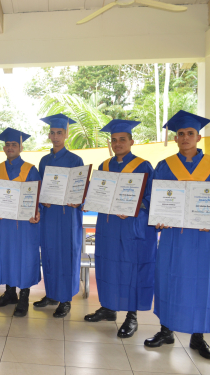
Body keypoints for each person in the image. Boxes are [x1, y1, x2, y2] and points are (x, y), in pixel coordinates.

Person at [144, 110, 210, 359]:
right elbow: (153, 197)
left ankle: (198, 336)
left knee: (202, 283)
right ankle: (166, 330)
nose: (185, 138)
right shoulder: (164, 166)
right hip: (173, 236)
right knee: (170, 278)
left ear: (199, 137)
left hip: (204, 237)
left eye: (190, 133)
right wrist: (157, 216)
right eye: (180, 134)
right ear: (175, 139)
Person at [83, 120, 156, 338]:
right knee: (107, 266)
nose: (118, 143)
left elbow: (152, 198)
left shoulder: (144, 166)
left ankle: (131, 316)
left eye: (122, 139)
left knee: (130, 269)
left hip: (131, 225)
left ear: (131, 141)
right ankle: (108, 308)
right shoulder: (104, 166)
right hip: (108, 226)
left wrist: (135, 207)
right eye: (114, 140)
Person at [34, 114, 84, 318]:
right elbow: (39, 187)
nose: (55, 137)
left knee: (67, 254)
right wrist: (41, 199)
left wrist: (77, 198)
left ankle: (66, 299)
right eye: (53, 133)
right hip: (48, 215)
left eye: (59, 133)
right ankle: (52, 294)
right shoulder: (44, 161)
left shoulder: (75, 160)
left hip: (67, 217)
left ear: (66, 134)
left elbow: (80, 188)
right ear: (49, 135)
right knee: (49, 254)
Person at [0, 128, 41, 317]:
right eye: (8, 145)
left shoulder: (30, 169)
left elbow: (38, 195)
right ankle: (10, 293)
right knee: (7, 255)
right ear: (4, 148)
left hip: (26, 225)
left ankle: (24, 296)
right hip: (4, 224)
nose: (10, 148)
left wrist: (37, 212)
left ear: (20, 147)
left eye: (14, 145)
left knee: (25, 257)